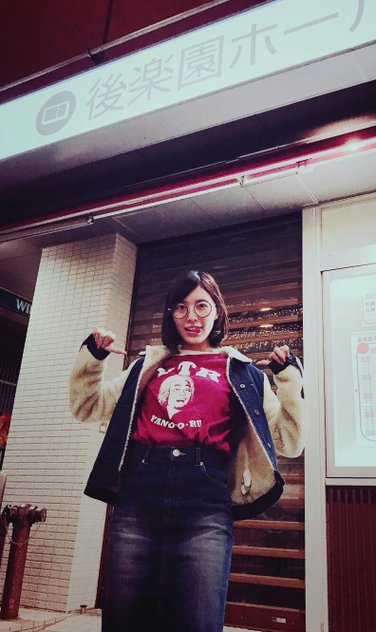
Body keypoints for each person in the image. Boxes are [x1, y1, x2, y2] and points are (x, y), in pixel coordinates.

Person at [70, 270, 305, 632]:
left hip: (205, 502)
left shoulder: (242, 372)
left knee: (197, 619)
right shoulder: (148, 365)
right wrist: (93, 358)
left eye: (201, 306)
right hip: (140, 494)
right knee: (125, 618)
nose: (191, 316)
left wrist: (287, 378)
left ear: (217, 311)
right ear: (171, 314)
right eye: (181, 307)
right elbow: (88, 407)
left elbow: (290, 440)